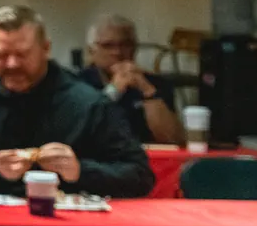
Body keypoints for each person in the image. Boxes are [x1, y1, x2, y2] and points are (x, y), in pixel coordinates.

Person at [0, 6, 155, 197]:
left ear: (46, 49)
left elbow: (140, 176)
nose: (12, 64)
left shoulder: (89, 103)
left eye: (22, 54)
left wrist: (80, 171)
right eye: (1, 55)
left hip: (75, 224)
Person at [76, 14, 184, 145]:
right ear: (91, 51)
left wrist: (147, 90)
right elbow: (79, 134)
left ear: (135, 48)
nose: (117, 52)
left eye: (125, 44)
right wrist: (113, 91)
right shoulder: (77, 84)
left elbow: (173, 139)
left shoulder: (155, 84)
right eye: (108, 45)